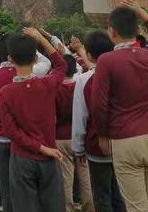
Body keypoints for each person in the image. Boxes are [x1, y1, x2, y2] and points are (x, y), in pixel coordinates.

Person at [0, 32, 51, 212]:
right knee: (32, 187)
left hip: (3, 139)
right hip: (29, 139)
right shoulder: (33, 70)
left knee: (7, 187)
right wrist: (30, 43)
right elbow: (48, 63)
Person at [0, 28, 66, 212]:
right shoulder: (47, 84)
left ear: (10, 59)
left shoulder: (6, 93)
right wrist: (42, 39)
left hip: (22, 158)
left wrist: (39, 148)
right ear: (36, 58)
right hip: (49, 156)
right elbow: (61, 65)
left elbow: (12, 131)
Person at [92, 0, 148, 212]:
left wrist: (102, 134)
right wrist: (142, 12)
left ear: (112, 31)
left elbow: (99, 104)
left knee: (136, 206)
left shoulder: (106, 61)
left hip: (124, 139)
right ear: (137, 29)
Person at [72, 31, 126, 212]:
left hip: (97, 146)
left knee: (102, 195)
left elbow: (81, 116)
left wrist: (78, 148)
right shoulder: (121, 73)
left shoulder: (84, 80)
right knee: (120, 194)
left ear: (88, 54)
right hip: (122, 142)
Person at [55, 53, 94, 212]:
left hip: (61, 137)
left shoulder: (55, 89)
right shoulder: (81, 84)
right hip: (80, 135)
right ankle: (89, 207)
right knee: (85, 178)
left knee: (66, 179)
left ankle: (68, 208)